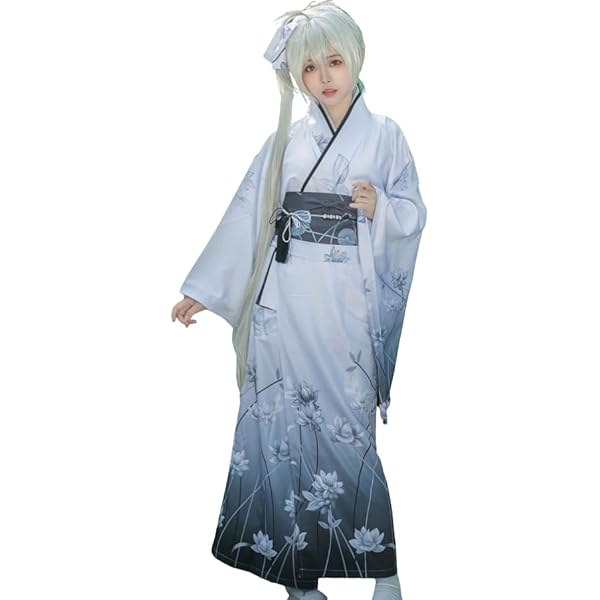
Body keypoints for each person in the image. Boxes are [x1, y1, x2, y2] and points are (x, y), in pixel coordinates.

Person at [171, 1, 426, 598]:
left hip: (345, 306)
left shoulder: (386, 135)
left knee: (349, 436)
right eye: (309, 67)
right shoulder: (286, 140)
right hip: (282, 306)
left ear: (355, 58)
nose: (324, 77)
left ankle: (384, 573)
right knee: (282, 433)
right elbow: (248, 214)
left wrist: (381, 209)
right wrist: (203, 290)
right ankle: (298, 579)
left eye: (333, 61)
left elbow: (414, 213)